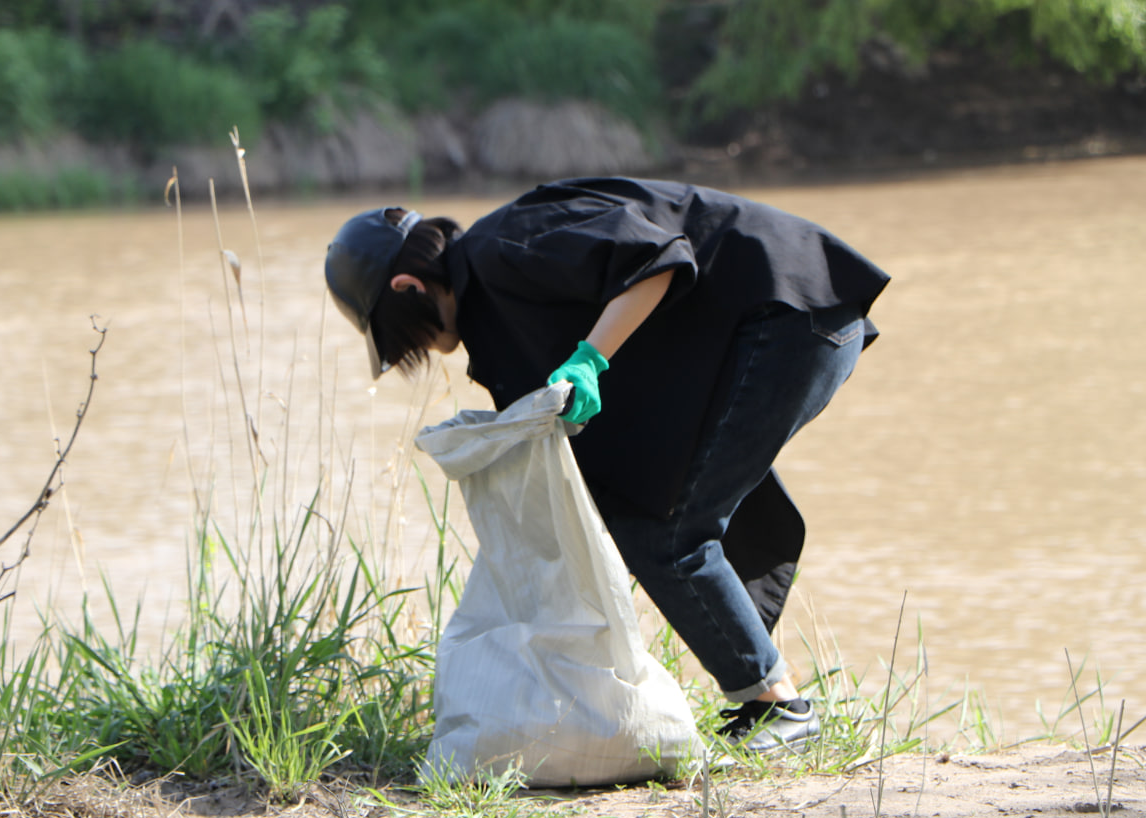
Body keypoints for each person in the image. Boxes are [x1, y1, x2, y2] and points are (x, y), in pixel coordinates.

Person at [324, 177, 890, 753]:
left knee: (667, 531)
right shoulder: (490, 315)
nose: (411, 351)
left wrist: (590, 359)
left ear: (408, 287)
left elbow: (657, 258)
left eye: (397, 336)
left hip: (787, 313)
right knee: (649, 506)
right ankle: (767, 697)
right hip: (771, 328)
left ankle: (781, 709)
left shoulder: (507, 243)